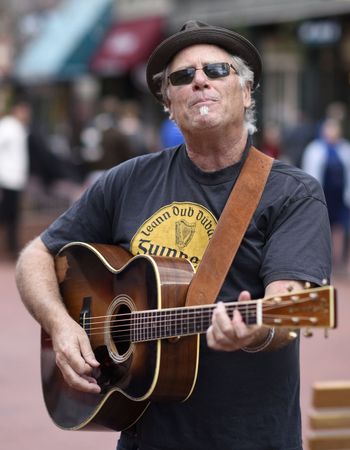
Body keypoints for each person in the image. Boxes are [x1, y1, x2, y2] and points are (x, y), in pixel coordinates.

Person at [15, 20, 331, 450]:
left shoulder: (292, 192)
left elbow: (285, 313)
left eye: (217, 70)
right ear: (168, 102)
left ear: (247, 91)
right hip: (146, 436)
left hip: (251, 437)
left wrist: (254, 331)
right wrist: (61, 323)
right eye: (182, 77)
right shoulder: (127, 181)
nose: (199, 81)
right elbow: (35, 256)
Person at [302, 118, 350, 269]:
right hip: (322, 194)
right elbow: (309, 173)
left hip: (340, 197)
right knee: (322, 226)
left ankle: (337, 261)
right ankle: (323, 260)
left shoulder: (345, 148)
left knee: (339, 227)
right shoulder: (314, 149)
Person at [0, 99, 31, 258]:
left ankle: (12, 247)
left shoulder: (19, 128)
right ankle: (10, 248)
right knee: (7, 214)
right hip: (7, 178)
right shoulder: (7, 126)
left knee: (12, 215)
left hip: (16, 179)